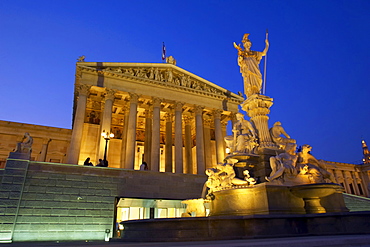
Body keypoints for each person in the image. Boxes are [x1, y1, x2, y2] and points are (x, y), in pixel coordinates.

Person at [234, 33, 269, 97]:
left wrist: (267, 45)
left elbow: (263, 53)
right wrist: (240, 56)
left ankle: (257, 92)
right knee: (249, 82)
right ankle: (251, 94)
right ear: (244, 45)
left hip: (255, 68)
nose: (248, 45)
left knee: (259, 78)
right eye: (246, 44)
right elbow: (240, 61)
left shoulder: (254, 53)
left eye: (249, 44)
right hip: (248, 69)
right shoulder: (243, 53)